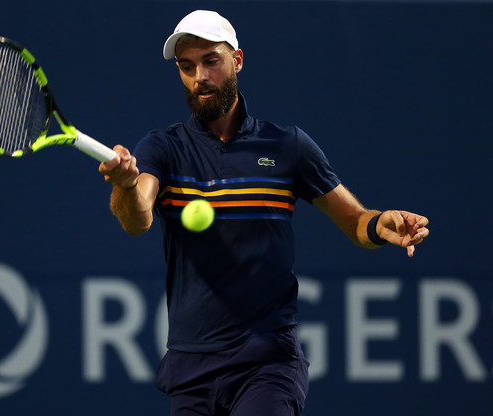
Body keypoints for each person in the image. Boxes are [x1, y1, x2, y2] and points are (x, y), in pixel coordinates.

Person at [99, 9, 429, 416]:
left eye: (210, 61)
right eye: (187, 67)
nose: (199, 76)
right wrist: (128, 186)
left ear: (237, 60)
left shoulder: (287, 145)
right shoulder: (162, 148)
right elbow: (138, 220)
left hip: (267, 361)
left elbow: (354, 220)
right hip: (191, 367)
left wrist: (381, 224)